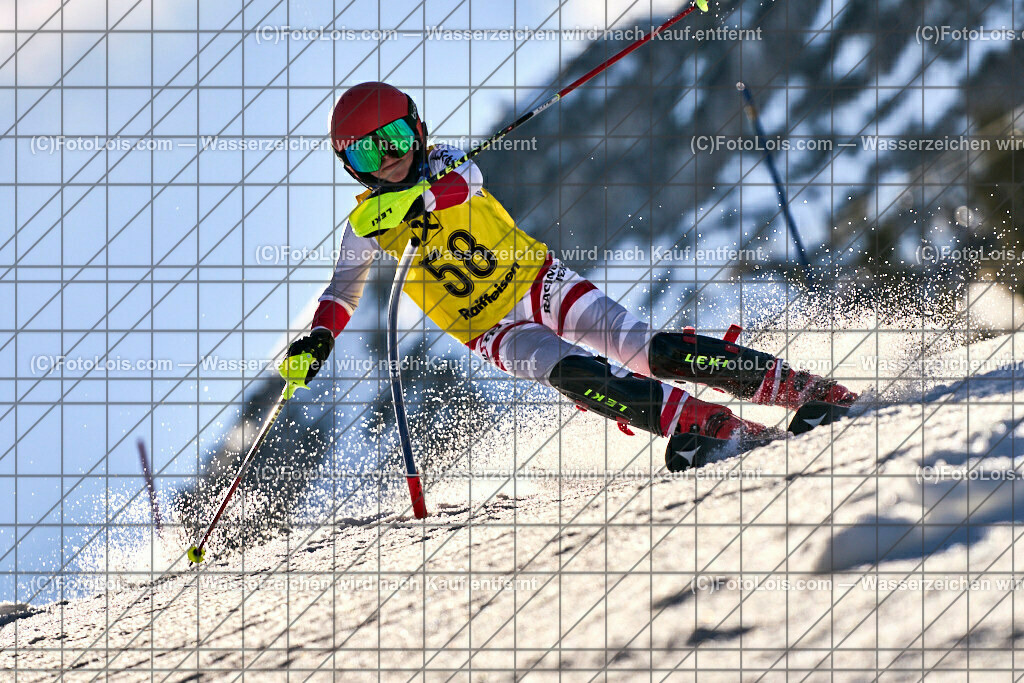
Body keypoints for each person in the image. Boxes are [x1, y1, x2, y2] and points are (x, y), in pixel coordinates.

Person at [280, 82, 856, 471]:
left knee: (642, 348)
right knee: (573, 373)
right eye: (367, 155)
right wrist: (320, 337)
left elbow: (468, 183)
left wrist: (424, 198)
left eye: (396, 140)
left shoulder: (447, 162)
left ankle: (802, 389)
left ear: (418, 130)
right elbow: (342, 290)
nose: (388, 160)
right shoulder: (366, 225)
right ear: (351, 168)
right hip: (490, 331)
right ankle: (704, 423)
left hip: (538, 282)